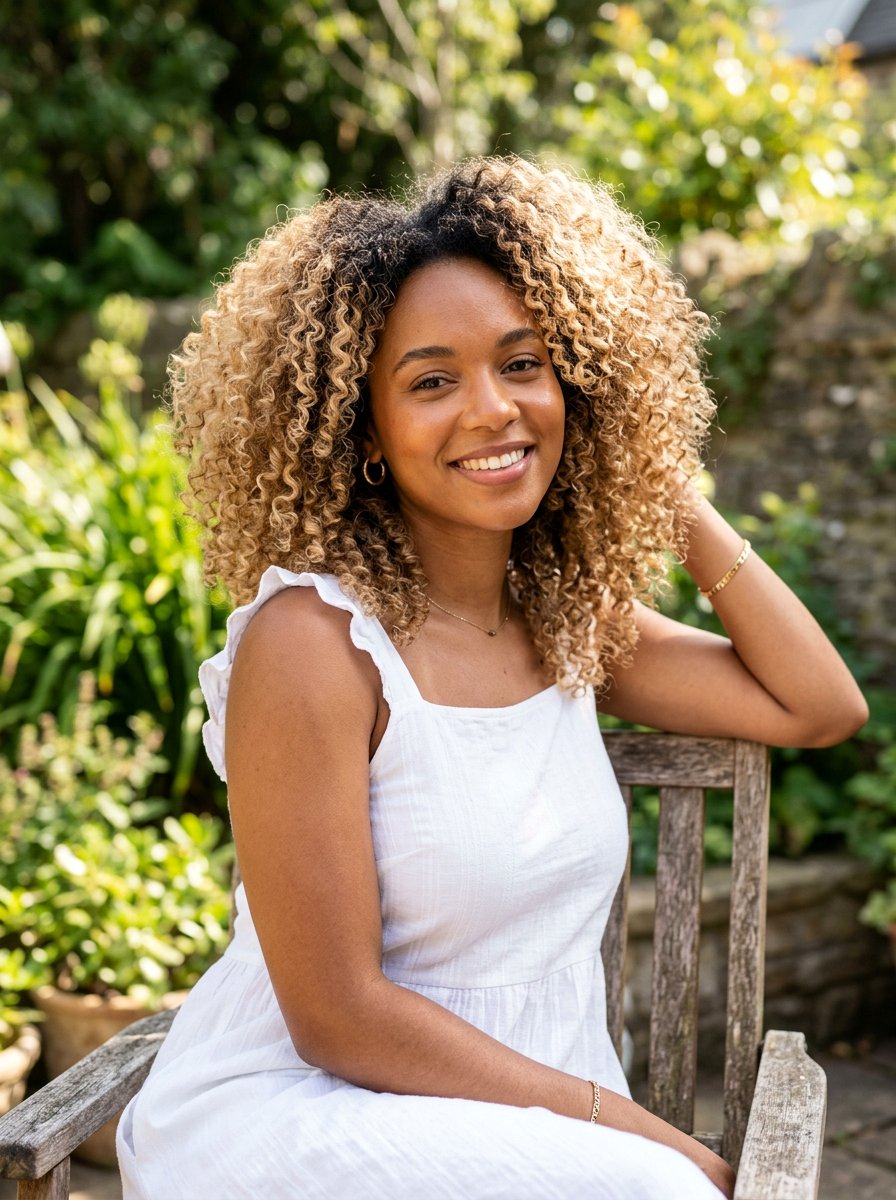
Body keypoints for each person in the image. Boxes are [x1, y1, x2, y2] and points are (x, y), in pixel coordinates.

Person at [117, 156, 867, 1199]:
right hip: (308, 1110)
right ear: (360, 428)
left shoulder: (564, 623)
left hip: (522, 1125)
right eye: (431, 381)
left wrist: (655, 481)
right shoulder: (314, 642)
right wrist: (631, 1128)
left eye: (524, 364)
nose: (492, 410)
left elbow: (819, 705)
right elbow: (337, 1017)